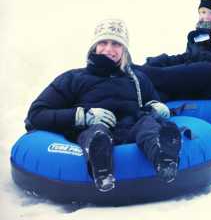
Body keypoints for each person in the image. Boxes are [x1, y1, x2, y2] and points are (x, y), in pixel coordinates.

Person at [25, 19, 181, 192]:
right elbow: (36, 114)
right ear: (94, 47)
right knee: (97, 133)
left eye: (116, 44)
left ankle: (164, 158)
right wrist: (83, 115)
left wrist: (158, 108)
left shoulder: (137, 79)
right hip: (92, 129)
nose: (109, 49)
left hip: (131, 128)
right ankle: (101, 168)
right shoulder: (73, 78)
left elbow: (152, 103)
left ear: (124, 50)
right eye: (103, 42)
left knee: (148, 124)